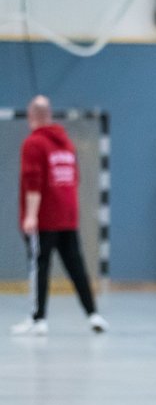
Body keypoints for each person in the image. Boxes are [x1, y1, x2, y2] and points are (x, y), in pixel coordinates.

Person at [10, 96, 107, 336]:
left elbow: (34, 182)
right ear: (50, 116)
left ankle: (38, 318)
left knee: (39, 266)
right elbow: (74, 179)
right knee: (76, 266)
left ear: (31, 117)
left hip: (44, 218)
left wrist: (31, 216)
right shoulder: (66, 143)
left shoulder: (33, 143)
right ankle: (93, 314)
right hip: (67, 215)